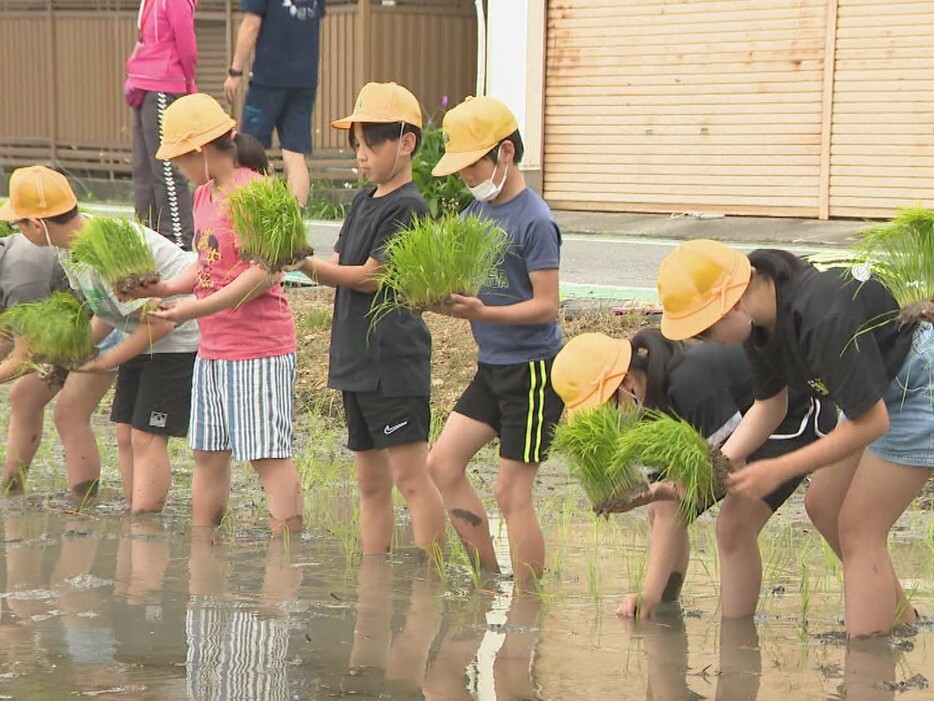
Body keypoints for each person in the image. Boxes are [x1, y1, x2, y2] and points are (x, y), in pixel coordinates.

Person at [655, 238, 932, 637]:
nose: (705, 343)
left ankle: (867, 670)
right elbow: (769, 407)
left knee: (859, 528)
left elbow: (872, 423)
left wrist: (777, 468)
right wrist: (711, 469)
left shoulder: (819, 315)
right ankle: (901, 623)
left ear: (730, 303)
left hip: (915, 383)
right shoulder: (760, 325)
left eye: (703, 330)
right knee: (823, 506)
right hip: (874, 387)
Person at [551, 329, 837, 619]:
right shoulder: (643, 415)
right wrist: (648, 594)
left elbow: (726, 469)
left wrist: (661, 493)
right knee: (657, 512)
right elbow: (668, 508)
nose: (605, 422)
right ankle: (664, 606)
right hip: (739, 434)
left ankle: (738, 639)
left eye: (602, 410)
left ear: (626, 383)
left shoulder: (689, 382)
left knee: (734, 525)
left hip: (792, 414)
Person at [291, 82, 445, 555]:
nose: (362, 155)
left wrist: (303, 263)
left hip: (393, 363)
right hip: (355, 360)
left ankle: (431, 573)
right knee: (370, 481)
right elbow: (341, 261)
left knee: (410, 477)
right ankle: (374, 575)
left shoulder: (410, 207)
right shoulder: (363, 201)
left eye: (372, 143)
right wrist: (306, 261)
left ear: (406, 143)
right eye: (356, 144)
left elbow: (371, 277)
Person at [0, 166, 199, 512]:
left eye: (18, 224)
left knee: (146, 435)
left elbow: (162, 323)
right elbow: (105, 313)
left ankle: (144, 522)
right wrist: (74, 355)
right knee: (125, 431)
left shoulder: (109, 251)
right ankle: (132, 513)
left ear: (37, 224)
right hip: (140, 332)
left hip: (181, 333)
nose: (17, 231)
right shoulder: (69, 249)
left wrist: (107, 360)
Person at [149, 92, 303, 535]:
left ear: (199, 150)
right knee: (207, 453)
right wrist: (165, 288)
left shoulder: (255, 194)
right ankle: (203, 552)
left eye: (178, 159)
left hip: (258, 348)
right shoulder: (203, 196)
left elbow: (262, 275)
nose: (177, 169)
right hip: (214, 348)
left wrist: (192, 309)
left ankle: (285, 564)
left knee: (267, 456)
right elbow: (206, 260)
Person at [425, 96, 564, 581]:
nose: (466, 177)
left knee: (512, 493)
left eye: (471, 165)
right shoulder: (473, 215)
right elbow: (464, 286)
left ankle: (528, 603)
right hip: (493, 366)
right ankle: (487, 577)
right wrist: (440, 297)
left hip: (533, 371)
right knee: (442, 464)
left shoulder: (535, 220)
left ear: (505, 153)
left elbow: (547, 306)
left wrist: (486, 311)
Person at [0, 228, 116, 498]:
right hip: (73, 329)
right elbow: (8, 333)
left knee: (70, 412)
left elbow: (27, 358)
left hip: (111, 323)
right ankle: (11, 486)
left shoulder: (20, 278)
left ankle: (82, 503)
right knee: (24, 396)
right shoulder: (8, 261)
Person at [223, 0, 326, 207]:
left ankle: (257, 212)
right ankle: (296, 216)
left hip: (268, 78)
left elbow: (251, 24)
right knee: (295, 154)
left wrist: (235, 71)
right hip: (305, 79)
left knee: (250, 149)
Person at [124, 0, 198, 249]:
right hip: (164, 83)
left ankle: (148, 241)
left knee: (145, 170)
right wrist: (189, 83)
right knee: (168, 166)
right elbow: (186, 47)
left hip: (142, 83)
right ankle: (178, 243)